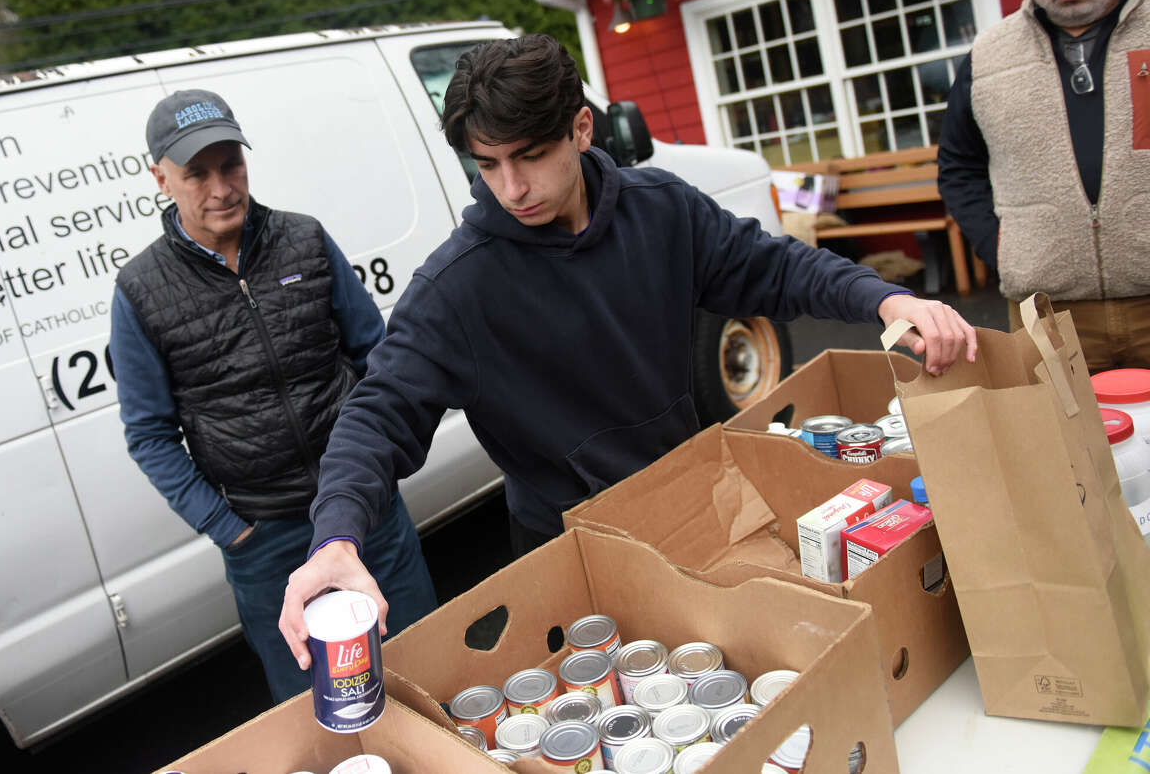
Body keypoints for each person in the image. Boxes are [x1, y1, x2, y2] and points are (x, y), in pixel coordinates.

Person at [277, 34, 976, 668]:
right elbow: (377, 415)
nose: (511, 188)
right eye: (486, 164)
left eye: (529, 156)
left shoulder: (664, 208)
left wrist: (885, 300)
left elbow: (776, 268)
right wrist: (336, 536)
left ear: (582, 128)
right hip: (568, 550)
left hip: (695, 505)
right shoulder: (457, 286)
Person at [109, 89, 437, 703]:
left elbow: (376, 357)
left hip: (366, 510)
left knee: (426, 665)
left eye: (229, 164)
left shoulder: (304, 241)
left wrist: (379, 468)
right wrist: (230, 529)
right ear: (160, 179)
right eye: (196, 173)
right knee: (321, 704)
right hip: (266, 539)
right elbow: (149, 434)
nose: (220, 188)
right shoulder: (140, 291)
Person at [938, 0, 1150, 372]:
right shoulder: (988, 58)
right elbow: (958, 166)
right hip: (1049, 317)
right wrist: (1004, 249)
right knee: (1066, 447)